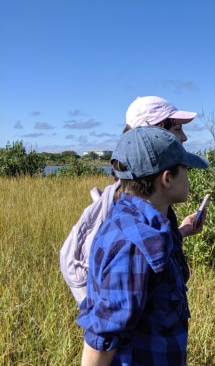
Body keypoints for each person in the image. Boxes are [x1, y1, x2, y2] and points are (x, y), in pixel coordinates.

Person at [56, 126, 208, 366]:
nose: (190, 177)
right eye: (184, 170)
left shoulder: (154, 223)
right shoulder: (136, 240)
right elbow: (104, 332)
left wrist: (183, 231)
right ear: (166, 178)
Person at [60, 96, 205, 303]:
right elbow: (111, 320)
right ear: (153, 133)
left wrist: (182, 231)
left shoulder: (141, 200)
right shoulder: (124, 221)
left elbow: (151, 247)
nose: (183, 137)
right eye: (176, 128)